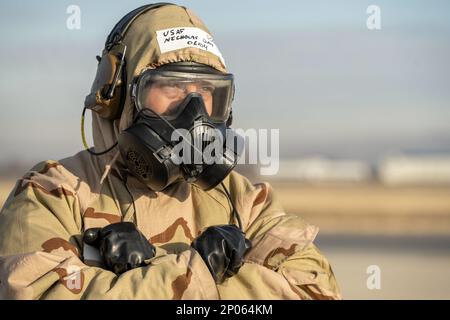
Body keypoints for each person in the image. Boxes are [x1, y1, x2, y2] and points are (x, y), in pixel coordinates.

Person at [0, 3, 341, 299]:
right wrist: (204, 273)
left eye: (206, 90)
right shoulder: (54, 193)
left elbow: (315, 289)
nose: (194, 109)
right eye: (172, 86)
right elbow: (34, 292)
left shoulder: (243, 201)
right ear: (120, 97)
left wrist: (142, 276)